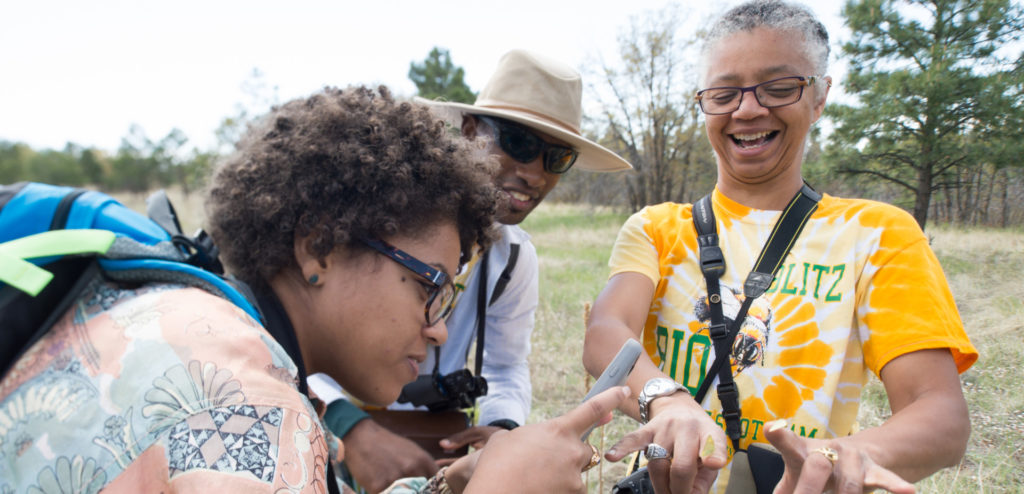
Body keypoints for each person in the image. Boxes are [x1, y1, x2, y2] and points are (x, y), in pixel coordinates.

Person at [0, 85, 627, 493]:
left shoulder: (199, 323)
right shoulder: (247, 411)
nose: (438, 328)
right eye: (430, 286)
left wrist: (442, 487)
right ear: (319, 247)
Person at [582, 1, 978, 493]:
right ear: (703, 103)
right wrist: (667, 400)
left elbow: (940, 415)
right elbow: (605, 331)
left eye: (778, 87)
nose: (748, 109)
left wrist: (847, 456)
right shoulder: (658, 229)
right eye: (725, 93)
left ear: (819, 96)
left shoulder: (877, 234)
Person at [309, 49, 632, 492]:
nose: (534, 174)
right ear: (469, 130)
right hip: (322, 428)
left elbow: (505, 364)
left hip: (437, 445)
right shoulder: (377, 224)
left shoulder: (512, 256)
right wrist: (350, 428)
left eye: (556, 159)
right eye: (519, 144)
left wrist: (502, 428)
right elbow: (295, 342)